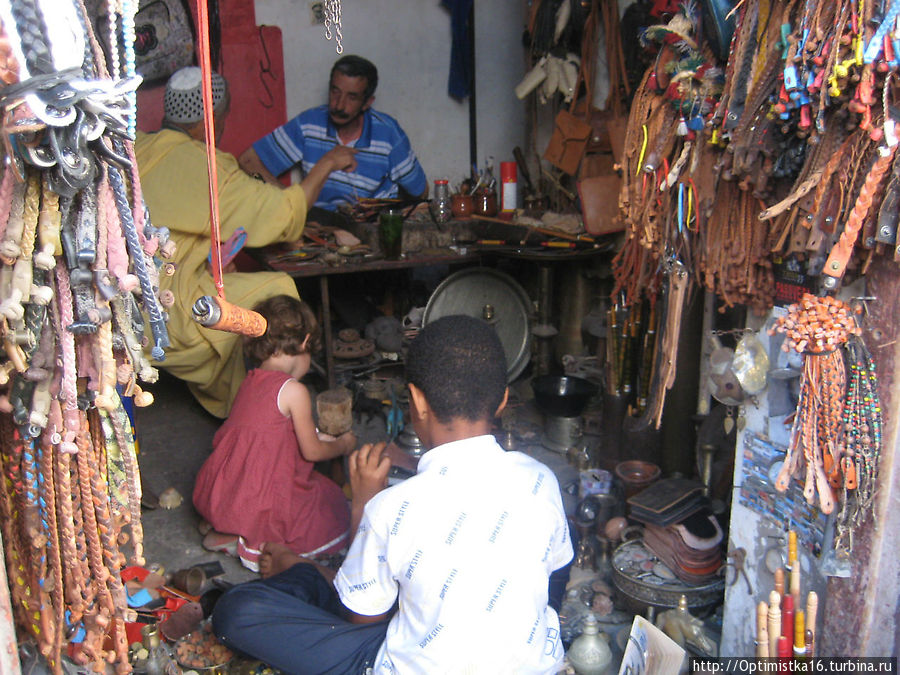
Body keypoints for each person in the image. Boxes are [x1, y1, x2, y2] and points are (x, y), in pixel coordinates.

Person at [211, 315, 573, 674]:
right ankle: (314, 574)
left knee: (237, 610)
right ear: (502, 402)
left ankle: (313, 574)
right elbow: (555, 580)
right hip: (534, 665)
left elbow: (361, 620)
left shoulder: (389, 508)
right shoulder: (541, 479)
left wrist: (364, 505)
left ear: (416, 401)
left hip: (407, 662)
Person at [135, 66, 356, 418]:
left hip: (123, 300)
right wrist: (327, 163)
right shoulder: (204, 167)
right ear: (213, 119)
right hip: (164, 312)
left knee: (241, 285)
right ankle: (267, 407)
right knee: (279, 290)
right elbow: (283, 216)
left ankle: (240, 399)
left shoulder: (137, 145)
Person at [192, 295, 356, 572]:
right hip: (261, 494)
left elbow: (267, 434)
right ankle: (247, 535)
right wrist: (342, 445)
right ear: (305, 343)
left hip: (224, 489)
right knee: (332, 504)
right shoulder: (294, 390)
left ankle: (231, 529)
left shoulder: (251, 380)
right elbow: (312, 451)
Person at [238, 55, 428, 211]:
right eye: (335, 92)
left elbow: (420, 193)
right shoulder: (309, 124)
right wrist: (288, 202)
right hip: (322, 227)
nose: (338, 105)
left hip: (371, 229)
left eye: (351, 97)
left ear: (367, 103)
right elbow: (248, 161)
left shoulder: (388, 134)